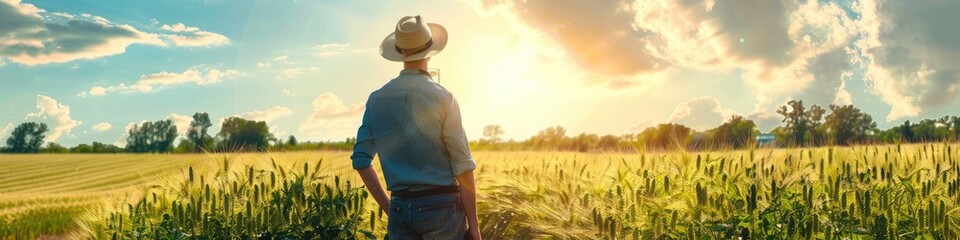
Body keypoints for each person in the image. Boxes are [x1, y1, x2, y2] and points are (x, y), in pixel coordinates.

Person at [351, 15, 481, 240]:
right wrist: (475, 228)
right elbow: (463, 167)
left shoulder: (377, 99)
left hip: (400, 208)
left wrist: (389, 206)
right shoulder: (443, 97)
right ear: (429, 53)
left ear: (399, 53)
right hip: (442, 208)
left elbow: (361, 160)